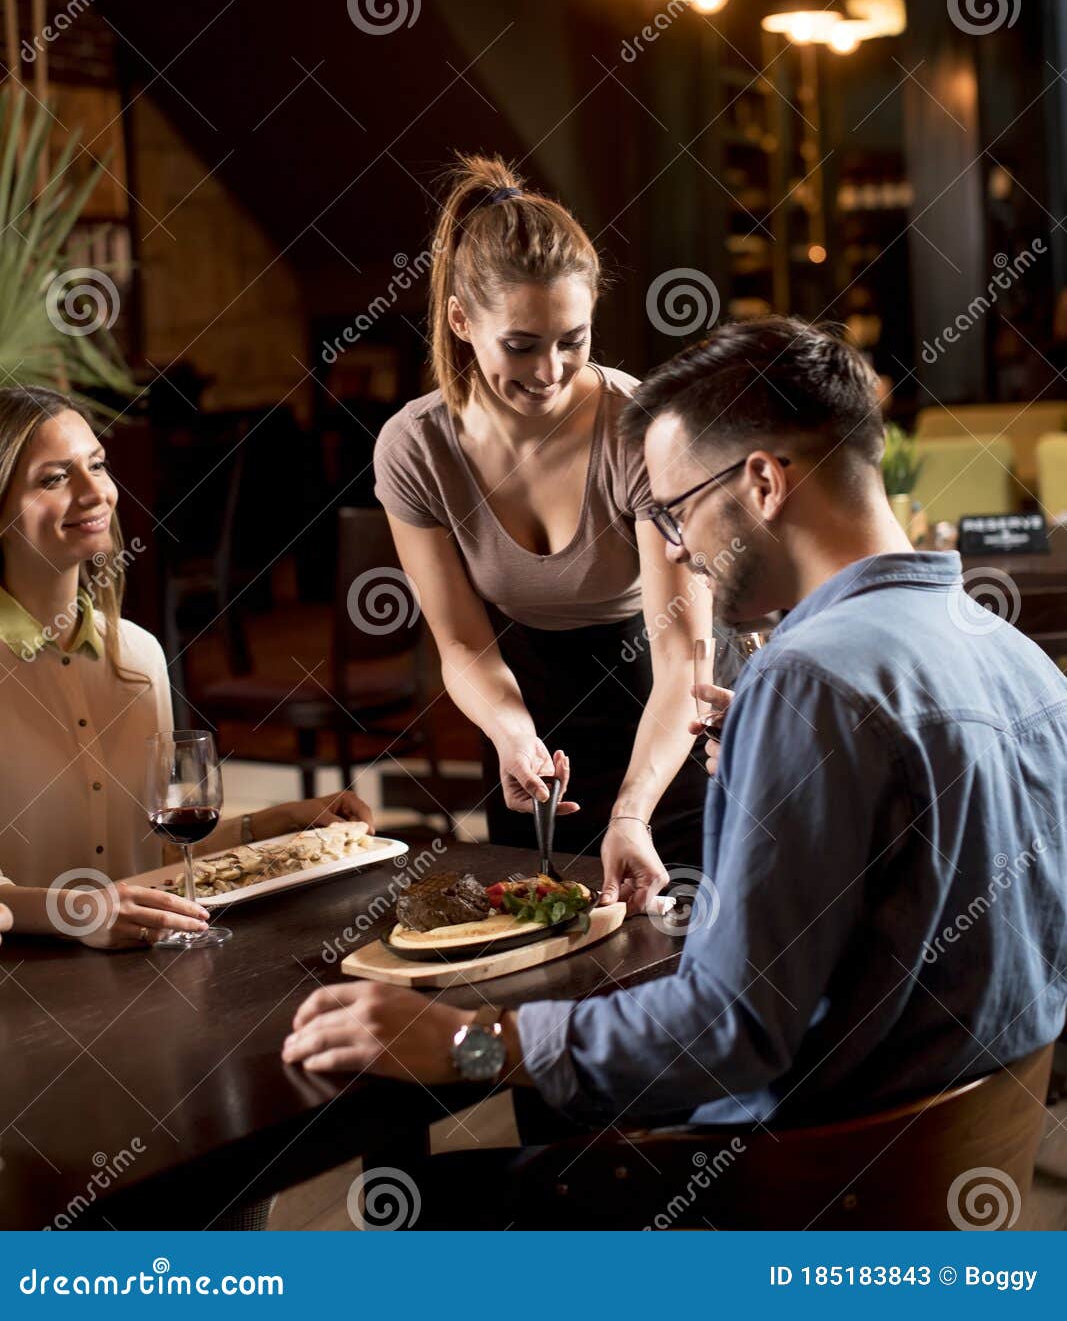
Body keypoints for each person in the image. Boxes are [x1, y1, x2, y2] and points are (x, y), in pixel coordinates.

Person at [283, 317, 1067, 1223]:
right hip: (948, 1174)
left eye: (672, 509)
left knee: (405, 1201)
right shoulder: (1015, 655)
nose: (677, 545)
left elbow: (731, 1030)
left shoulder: (808, 682)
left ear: (763, 483)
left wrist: (474, 1040)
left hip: (802, 1190)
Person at [372, 153, 710, 906]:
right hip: (527, 708)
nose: (549, 370)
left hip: (661, 711)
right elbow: (462, 642)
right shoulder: (415, 447)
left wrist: (629, 813)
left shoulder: (641, 432)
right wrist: (510, 734)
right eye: (520, 345)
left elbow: (680, 655)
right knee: (538, 953)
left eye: (572, 340)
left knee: (671, 956)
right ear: (461, 320)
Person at [0, 386, 376, 948]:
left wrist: (272, 825)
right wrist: (78, 912)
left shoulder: (139, 656)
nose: (94, 492)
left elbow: (153, 852)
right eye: (54, 478)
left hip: (142, 969)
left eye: (97, 466)